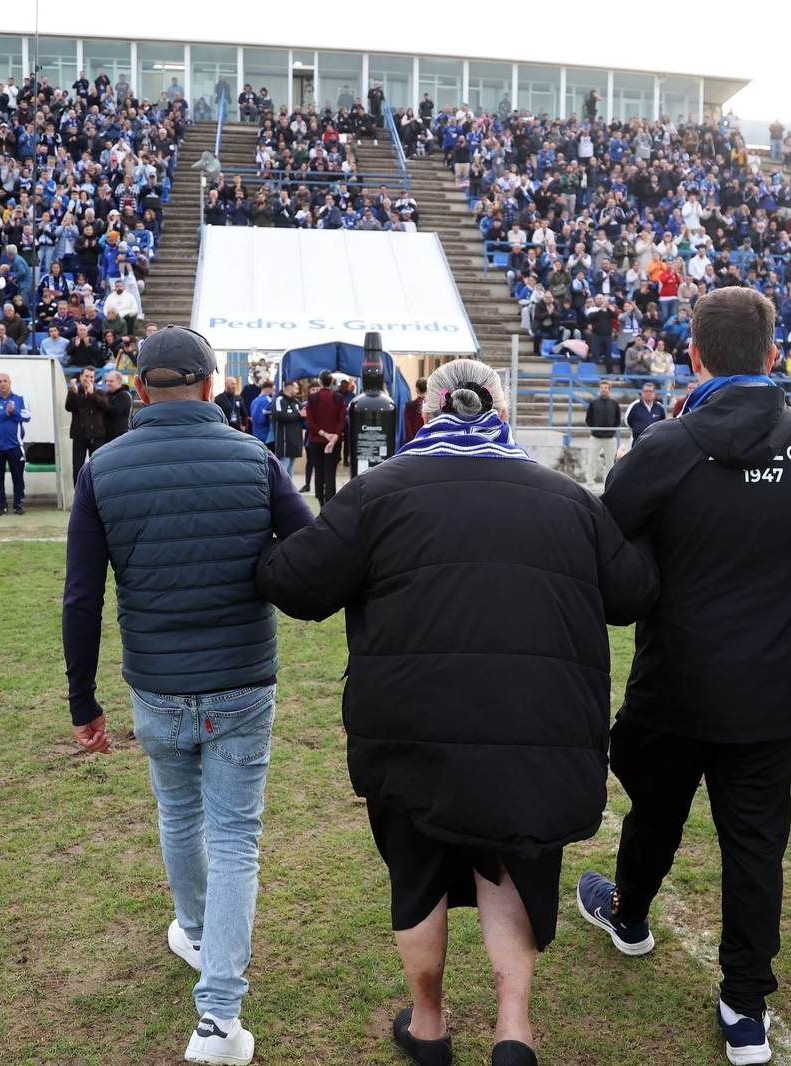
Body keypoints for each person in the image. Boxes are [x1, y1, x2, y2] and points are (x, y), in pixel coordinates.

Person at [256, 358, 657, 1066]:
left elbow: (296, 582)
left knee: (417, 867)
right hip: (539, 727)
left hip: (412, 725)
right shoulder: (567, 499)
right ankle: (513, 1031)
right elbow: (633, 593)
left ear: (427, 410)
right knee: (515, 862)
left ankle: (430, 1024)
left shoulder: (379, 491)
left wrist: (262, 523)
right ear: (499, 409)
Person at [577, 286, 791, 1066]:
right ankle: (741, 1003)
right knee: (752, 844)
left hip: (681, 682)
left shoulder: (668, 444)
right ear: (773, 354)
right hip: (766, 689)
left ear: (692, 356)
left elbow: (607, 549)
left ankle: (635, 918)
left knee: (658, 812)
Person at [61, 326, 314, 1066]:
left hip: (161, 685)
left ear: (141, 389)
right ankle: (216, 1005)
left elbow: (81, 599)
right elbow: (311, 556)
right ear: (210, 386)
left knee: (182, 815)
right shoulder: (254, 457)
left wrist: (82, 700)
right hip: (238, 681)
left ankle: (207, 961)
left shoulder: (104, 467)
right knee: (232, 836)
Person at [0, 373, 30, 515]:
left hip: (15, 446)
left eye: (5, 381)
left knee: (18, 477)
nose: (2, 384)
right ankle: (1, 505)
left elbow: (27, 416)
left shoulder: (20, 399)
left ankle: (18, 504)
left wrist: (13, 412)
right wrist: (5, 414)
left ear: (10, 382)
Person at [304, 370, 347, 506]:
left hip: (316, 440)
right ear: (332, 382)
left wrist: (324, 434)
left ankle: (320, 499)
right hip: (335, 440)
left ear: (320, 382)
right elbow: (341, 422)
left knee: (319, 470)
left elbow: (311, 422)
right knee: (330, 471)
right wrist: (333, 438)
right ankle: (330, 499)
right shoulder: (339, 398)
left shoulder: (312, 399)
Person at [64, 366, 109, 480]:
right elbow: (68, 407)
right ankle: (78, 489)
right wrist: (74, 392)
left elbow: (105, 407)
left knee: (97, 466)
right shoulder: (75, 392)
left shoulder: (99, 392)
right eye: (86, 376)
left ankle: (96, 490)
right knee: (77, 467)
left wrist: (92, 394)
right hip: (79, 435)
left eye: (91, 377)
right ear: (81, 377)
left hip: (96, 435)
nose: (88, 379)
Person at [583, 380, 623, 485]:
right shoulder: (594, 403)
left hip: (610, 438)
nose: (603, 390)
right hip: (595, 437)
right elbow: (588, 418)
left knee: (610, 462)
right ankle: (590, 482)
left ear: (609, 390)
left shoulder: (614, 403)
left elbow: (618, 419)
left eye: (605, 388)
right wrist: (594, 428)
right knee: (592, 461)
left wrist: (612, 430)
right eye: (602, 388)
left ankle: (608, 483)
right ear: (599, 389)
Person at [270, 379, 305, 479]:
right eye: (296, 388)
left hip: (296, 439)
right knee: (285, 462)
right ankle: (282, 485)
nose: (298, 391)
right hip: (285, 439)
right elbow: (278, 415)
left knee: (292, 462)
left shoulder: (296, 402)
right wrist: (297, 415)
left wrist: (302, 416)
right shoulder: (280, 400)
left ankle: (289, 485)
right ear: (290, 388)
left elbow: (302, 415)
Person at [103, 370, 133, 442]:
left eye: (111, 381)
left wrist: (101, 402)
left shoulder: (124, 395)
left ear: (119, 382)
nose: (108, 383)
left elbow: (115, 412)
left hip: (118, 436)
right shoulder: (107, 394)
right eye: (107, 381)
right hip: (106, 435)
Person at [249, 379, 275, 445]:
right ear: (270, 389)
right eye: (273, 390)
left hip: (256, 434)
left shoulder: (254, 402)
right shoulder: (269, 401)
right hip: (267, 436)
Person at [403, 378, 427, 443]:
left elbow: (408, 429)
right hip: (428, 442)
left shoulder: (409, 406)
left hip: (414, 442)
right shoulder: (432, 407)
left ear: (417, 389)